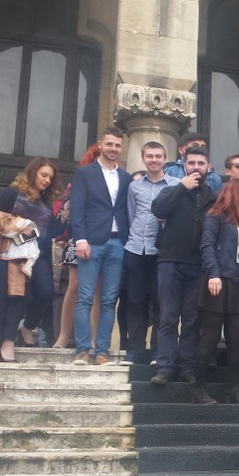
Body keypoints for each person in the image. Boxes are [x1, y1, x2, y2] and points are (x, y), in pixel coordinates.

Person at [149, 146, 217, 385]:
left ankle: (186, 367)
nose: (196, 167)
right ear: (184, 165)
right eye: (192, 163)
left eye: (201, 163)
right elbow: (157, 209)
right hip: (170, 262)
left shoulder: (213, 197)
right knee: (168, 317)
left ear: (208, 167)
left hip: (198, 266)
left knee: (192, 319)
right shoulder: (172, 189)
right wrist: (181, 187)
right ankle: (164, 367)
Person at [0, 158, 62, 362]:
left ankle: (27, 328)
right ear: (33, 173)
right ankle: (7, 344)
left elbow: (51, 231)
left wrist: (64, 218)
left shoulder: (46, 201)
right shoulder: (12, 194)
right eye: (43, 175)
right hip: (13, 254)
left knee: (46, 293)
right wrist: (18, 226)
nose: (47, 180)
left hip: (38, 255)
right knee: (16, 298)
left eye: (50, 178)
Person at [69, 127, 132, 365]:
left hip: (118, 243)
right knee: (85, 297)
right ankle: (82, 350)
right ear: (100, 145)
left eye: (117, 145)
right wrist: (80, 239)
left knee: (109, 300)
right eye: (110, 144)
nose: (113, 149)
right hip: (91, 242)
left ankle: (102, 351)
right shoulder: (85, 173)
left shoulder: (126, 178)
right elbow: (77, 209)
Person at [192, 179, 239, 405]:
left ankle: (232, 388)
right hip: (218, 279)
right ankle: (198, 388)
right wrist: (213, 273)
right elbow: (207, 245)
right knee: (210, 336)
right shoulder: (215, 216)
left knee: (237, 338)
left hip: (236, 280)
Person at [121, 142, 179, 365]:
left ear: (165, 158)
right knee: (135, 300)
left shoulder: (175, 185)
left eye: (158, 156)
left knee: (159, 302)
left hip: (161, 250)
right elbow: (131, 214)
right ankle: (135, 350)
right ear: (144, 159)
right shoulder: (134, 187)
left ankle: (157, 350)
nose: (154, 160)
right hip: (135, 248)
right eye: (150, 156)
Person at [52, 144, 100, 349]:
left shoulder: (116, 179)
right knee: (75, 285)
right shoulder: (79, 181)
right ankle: (63, 336)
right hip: (79, 236)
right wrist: (64, 236)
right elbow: (67, 211)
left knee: (99, 290)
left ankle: (96, 339)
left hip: (104, 238)